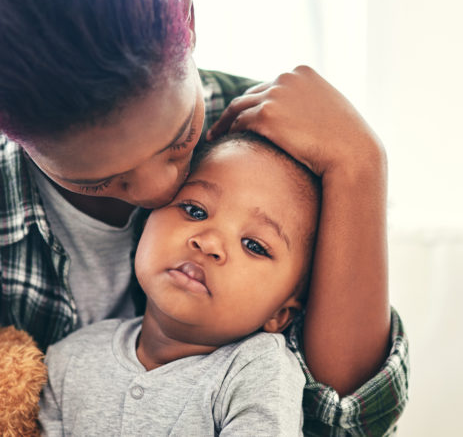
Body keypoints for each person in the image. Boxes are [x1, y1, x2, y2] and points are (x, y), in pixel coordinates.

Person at [0, 0, 408, 434]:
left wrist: (361, 162)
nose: (163, 190)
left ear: (189, 23)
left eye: (180, 139)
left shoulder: (277, 150)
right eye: (100, 180)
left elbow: (344, 425)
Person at [38, 133, 319, 435]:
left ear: (279, 314)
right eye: (195, 211)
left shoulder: (258, 370)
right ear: (146, 221)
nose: (209, 241)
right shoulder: (70, 359)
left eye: (253, 245)